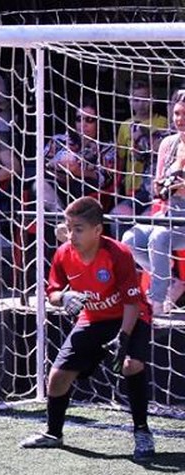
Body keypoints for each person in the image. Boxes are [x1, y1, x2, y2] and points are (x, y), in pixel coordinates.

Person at [19, 196, 155, 460]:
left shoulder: (118, 254)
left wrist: (123, 338)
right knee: (57, 377)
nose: (71, 235)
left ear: (97, 230)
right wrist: (63, 298)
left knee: (131, 365)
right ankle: (53, 434)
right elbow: (53, 292)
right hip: (93, 318)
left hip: (131, 316)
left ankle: (142, 432)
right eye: (68, 228)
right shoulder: (63, 254)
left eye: (78, 229)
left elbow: (132, 302)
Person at [122, 89, 185, 314]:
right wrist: (164, 187)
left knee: (159, 237)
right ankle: (171, 281)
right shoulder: (168, 144)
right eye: (177, 113)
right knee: (130, 238)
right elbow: (157, 187)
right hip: (169, 212)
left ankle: (155, 304)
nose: (180, 119)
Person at [40, 100, 117, 214]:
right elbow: (40, 165)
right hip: (56, 183)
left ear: (99, 122)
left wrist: (78, 172)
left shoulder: (108, 148)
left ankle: (62, 220)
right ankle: (60, 219)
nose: (83, 124)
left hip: (85, 189)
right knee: (40, 183)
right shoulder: (59, 140)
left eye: (89, 120)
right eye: (78, 119)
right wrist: (54, 164)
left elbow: (105, 179)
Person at [112, 79, 168, 228]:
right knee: (124, 220)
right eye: (136, 99)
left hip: (153, 183)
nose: (140, 103)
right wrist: (118, 184)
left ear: (153, 98)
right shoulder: (125, 126)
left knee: (143, 223)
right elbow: (121, 158)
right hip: (132, 184)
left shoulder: (163, 122)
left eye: (145, 99)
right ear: (129, 100)